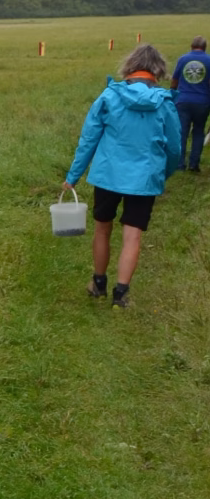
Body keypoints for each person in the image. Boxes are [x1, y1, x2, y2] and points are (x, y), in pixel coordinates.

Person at [65, 42, 183, 307]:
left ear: (129, 67)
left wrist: (73, 176)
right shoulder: (164, 103)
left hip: (108, 175)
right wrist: (164, 173)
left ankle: (98, 283)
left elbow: (89, 140)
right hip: (145, 179)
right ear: (158, 72)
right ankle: (121, 295)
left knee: (102, 229)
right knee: (133, 235)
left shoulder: (109, 97)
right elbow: (174, 147)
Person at [172, 36, 210, 173]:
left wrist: (172, 94)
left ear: (191, 46)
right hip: (203, 102)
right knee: (198, 132)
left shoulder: (183, 59)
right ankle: (194, 164)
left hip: (183, 101)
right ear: (205, 47)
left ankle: (180, 165)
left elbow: (174, 80)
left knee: (182, 133)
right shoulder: (209, 60)